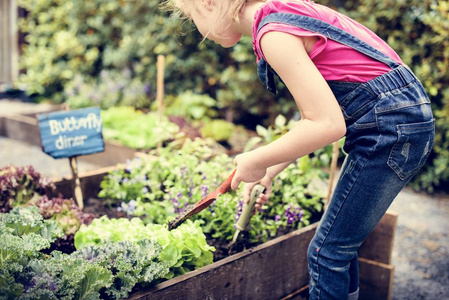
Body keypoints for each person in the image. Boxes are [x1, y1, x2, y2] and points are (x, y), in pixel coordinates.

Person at [165, 0, 435, 299]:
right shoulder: (283, 13)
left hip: (389, 130)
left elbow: (327, 125)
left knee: (325, 254)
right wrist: (268, 170)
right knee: (340, 246)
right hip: (400, 122)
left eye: (191, 19)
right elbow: (316, 121)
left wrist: (256, 158)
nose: (198, 32)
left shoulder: (273, 34)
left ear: (208, 3)